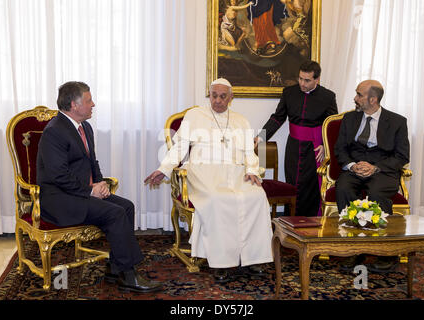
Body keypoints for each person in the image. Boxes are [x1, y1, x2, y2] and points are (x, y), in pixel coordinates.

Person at [37, 81, 163, 293]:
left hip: (80, 193)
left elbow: (91, 161)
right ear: (73, 105)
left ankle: (115, 268)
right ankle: (128, 274)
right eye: (88, 100)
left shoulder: (84, 126)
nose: (93, 104)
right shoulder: (54, 131)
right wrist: (90, 190)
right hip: (60, 199)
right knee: (114, 214)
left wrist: (100, 183)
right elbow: (57, 175)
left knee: (127, 206)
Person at [145, 78, 273, 283]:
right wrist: (164, 169)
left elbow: (250, 151)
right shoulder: (195, 116)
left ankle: (253, 258)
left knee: (257, 196)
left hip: (236, 172)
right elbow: (179, 147)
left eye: (223, 96)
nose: (218, 101)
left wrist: (252, 170)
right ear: (210, 95)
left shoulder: (241, 120)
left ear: (231, 98)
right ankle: (220, 261)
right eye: (214, 95)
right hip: (203, 172)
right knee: (216, 199)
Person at [334, 80, 410, 272]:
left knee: (377, 193)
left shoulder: (397, 122)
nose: (355, 98)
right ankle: (352, 249)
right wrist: (351, 166)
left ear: (373, 99)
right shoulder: (350, 119)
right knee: (343, 188)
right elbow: (340, 148)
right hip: (355, 168)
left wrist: (375, 167)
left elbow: (402, 156)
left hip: (382, 170)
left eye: (359, 94)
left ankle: (385, 252)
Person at [256, 60, 338, 216]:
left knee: (310, 185)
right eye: (300, 78)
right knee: (293, 183)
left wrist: (325, 145)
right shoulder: (289, 92)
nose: (302, 83)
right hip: (293, 146)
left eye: (307, 80)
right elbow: (277, 118)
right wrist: (261, 137)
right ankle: (291, 220)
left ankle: (310, 223)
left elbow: (331, 124)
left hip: (315, 148)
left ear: (317, 79)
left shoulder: (328, 96)